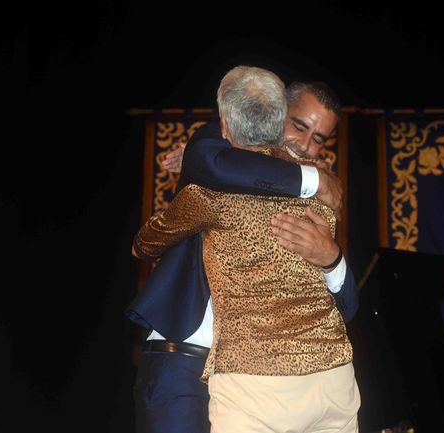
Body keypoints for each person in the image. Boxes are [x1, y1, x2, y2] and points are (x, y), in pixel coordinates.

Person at [134, 64, 359, 433]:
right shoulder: (214, 152)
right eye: (298, 125)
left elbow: (347, 308)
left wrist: (331, 259)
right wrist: (313, 178)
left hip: (269, 377)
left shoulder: (314, 201)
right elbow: (212, 162)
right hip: (186, 355)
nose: (305, 145)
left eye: (319, 139)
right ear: (275, 112)